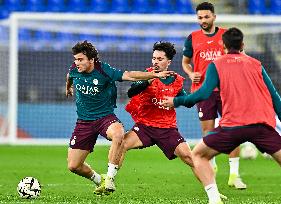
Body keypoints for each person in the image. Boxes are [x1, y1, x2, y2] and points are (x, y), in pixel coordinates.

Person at [161, 27, 281, 204]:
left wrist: (176, 101)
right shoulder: (256, 64)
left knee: (199, 155)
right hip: (261, 126)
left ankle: (214, 199)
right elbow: (275, 98)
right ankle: (232, 177)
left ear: (223, 45)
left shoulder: (216, 65)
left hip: (233, 126)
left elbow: (202, 94)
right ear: (243, 44)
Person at [65, 40, 174, 195]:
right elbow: (70, 75)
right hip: (83, 121)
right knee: (73, 166)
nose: (77, 63)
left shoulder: (104, 70)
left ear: (91, 60)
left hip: (104, 118)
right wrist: (68, 87)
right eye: (75, 59)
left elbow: (129, 75)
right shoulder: (75, 69)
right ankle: (99, 180)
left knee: (118, 133)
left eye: (80, 59)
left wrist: (154, 74)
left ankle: (109, 178)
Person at [181, 1, 246, 189]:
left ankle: (234, 175)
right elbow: (186, 62)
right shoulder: (192, 38)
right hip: (203, 91)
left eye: (206, 16)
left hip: (226, 90)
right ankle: (212, 170)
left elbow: (240, 55)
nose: (203, 20)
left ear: (214, 17)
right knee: (208, 133)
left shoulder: (226, 35)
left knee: (233, 130)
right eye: (200, 17)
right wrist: (190, 73)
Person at [117, 41, 194, 173]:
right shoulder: (147, 74)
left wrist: (175, 101)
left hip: (167, 129)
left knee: (190, 157)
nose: (155, 62)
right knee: (121, 144)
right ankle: (108, 180)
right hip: (145, 126)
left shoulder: (176, 80)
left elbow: (188, 102)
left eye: (160, 59)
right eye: (154, 58)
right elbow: (131, 92)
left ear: (168, 62)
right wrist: (148, 81)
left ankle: (213, 191)